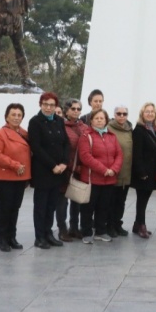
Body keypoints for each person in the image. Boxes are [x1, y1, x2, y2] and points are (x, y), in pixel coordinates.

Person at [29, 92, 69, 249]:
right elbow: (36, 148)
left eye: (52, 105)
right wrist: (53, 165)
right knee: (41, 207)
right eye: (45, 104)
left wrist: (64, 163)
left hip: (59, 172)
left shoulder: (59, 120)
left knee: (52, 205)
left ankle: (48, 233)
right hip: (43, 172)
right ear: (40, 105)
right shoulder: (35, 122)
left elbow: (66, 143)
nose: (48, 107)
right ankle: (39, 237)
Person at [77, 109, 123, 244]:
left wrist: (114, 169)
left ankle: (100, 231)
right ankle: (86, 232)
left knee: (104, 207)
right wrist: (104, 169)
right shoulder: (86, 136)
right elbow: (85, 156)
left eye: (102, 118)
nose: (99, 120)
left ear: (106, 120)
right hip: (92, 179)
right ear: (91, 120)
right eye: (96, 118)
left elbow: (119, 155)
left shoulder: (112, 136)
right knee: (88, 208)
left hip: (109, 180)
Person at [0, 103, 31, 252]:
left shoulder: (24, 133)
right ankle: (3, 238)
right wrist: (14, 165)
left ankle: (12, 236)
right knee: (5, 208)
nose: (16, 118)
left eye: (19, 115)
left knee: (15, 208)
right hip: (4, 177)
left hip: (20, 177)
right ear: (7, 116)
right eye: (13, 114)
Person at [57, 98, 86, 242]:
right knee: (62, 202)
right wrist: (68, 165)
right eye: (73, 108)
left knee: (77, 200)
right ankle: (62, 229)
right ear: (66, 110)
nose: (76, 111)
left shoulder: (83, 127)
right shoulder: (60, 125)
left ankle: (75, 227)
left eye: (78, 109)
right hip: (65, 169)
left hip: (80, 169)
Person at [131, 102, 156, 239]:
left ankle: (137, 224)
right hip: (142, 173)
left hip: (153, 171)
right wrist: (141, 172)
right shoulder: (138, 130)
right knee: (141, 200)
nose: (150, 114)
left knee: (145, 199)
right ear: (142, 114)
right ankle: (141, 225)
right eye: (147, 111)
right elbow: (136, 153)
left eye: (152, 112)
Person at [107, 105, 134, 237]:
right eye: (119, 114)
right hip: (113, 172)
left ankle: (118, 224)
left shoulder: (130, 129)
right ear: (114, 115)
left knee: (121, 201)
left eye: (124, 114)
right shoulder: (108, 128)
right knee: (111, 201)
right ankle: (110, 225)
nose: (122, 116)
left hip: (126, 172)